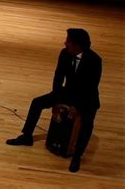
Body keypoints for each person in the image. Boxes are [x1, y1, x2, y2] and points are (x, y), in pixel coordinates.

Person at [6, 28, 102, 172]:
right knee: (37, 102)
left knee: (87, 122)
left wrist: (77, 107)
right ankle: (27, 136)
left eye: (68, 41)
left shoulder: (94, 60)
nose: (65, 43)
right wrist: (56, 100)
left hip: (86, 98)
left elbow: (91, 87)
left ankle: (77, 156)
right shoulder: (65, 54)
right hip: (68, 91)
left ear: (78, 45)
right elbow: (58, 77)